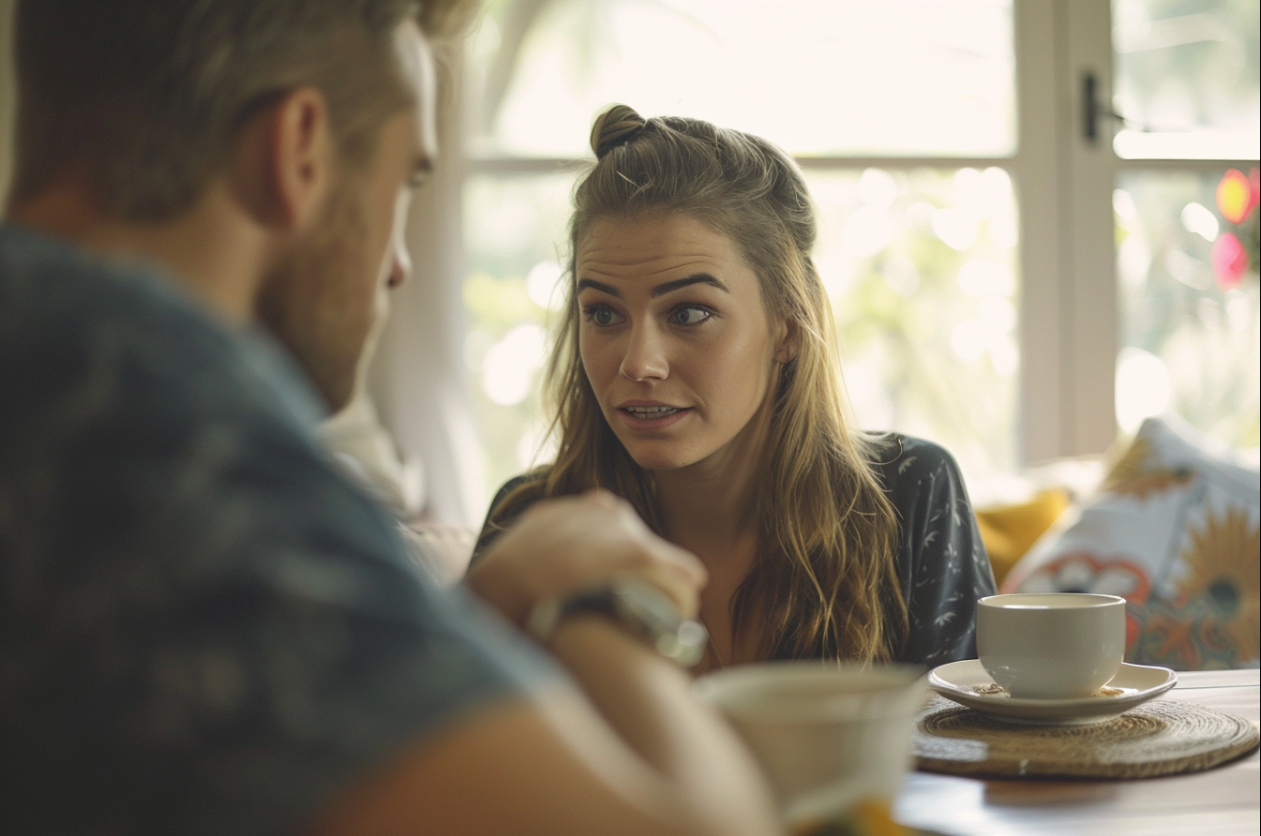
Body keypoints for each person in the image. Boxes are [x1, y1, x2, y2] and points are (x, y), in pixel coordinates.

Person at [0, 3, 782, 835]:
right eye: (407, 179)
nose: (401, 264)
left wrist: (478, 611)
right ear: (297, 149)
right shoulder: (156, 425)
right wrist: (598, 601)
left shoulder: (51, 358)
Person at [477, 105, 998, 672]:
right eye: (603, 314)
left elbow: (963, 750)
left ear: (788, 329)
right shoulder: (532, 524)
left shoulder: (908, 498)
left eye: (690, 312)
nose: (639, 363)